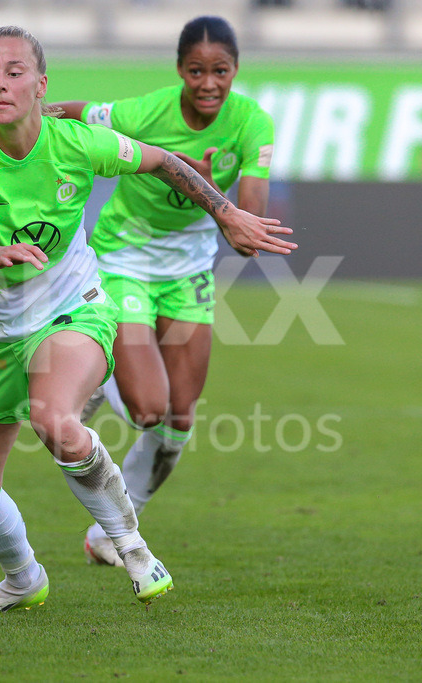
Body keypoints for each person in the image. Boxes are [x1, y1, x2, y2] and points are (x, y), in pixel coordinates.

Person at [0, 25, 293, 614]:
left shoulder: (78, 143)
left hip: (70, 307)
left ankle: (133, 549)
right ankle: (23, 579)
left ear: (41, 84)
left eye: (14, 72)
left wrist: (225, 214)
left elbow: (162, 161)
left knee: (58, 420)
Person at [50, 16, 296, 566]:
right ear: (180, 69)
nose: (209, 83)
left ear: (236, 70)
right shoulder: (146, 113)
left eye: (220, 71)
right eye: (196, 71)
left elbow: (249, 220)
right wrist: (21, 112)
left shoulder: (252, 122)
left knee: (178, 421)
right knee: (148, 409)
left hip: (188, 272)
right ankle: (101, 372)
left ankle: (107, 537)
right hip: (124, 260)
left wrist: (223, 201)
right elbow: (77, 112)